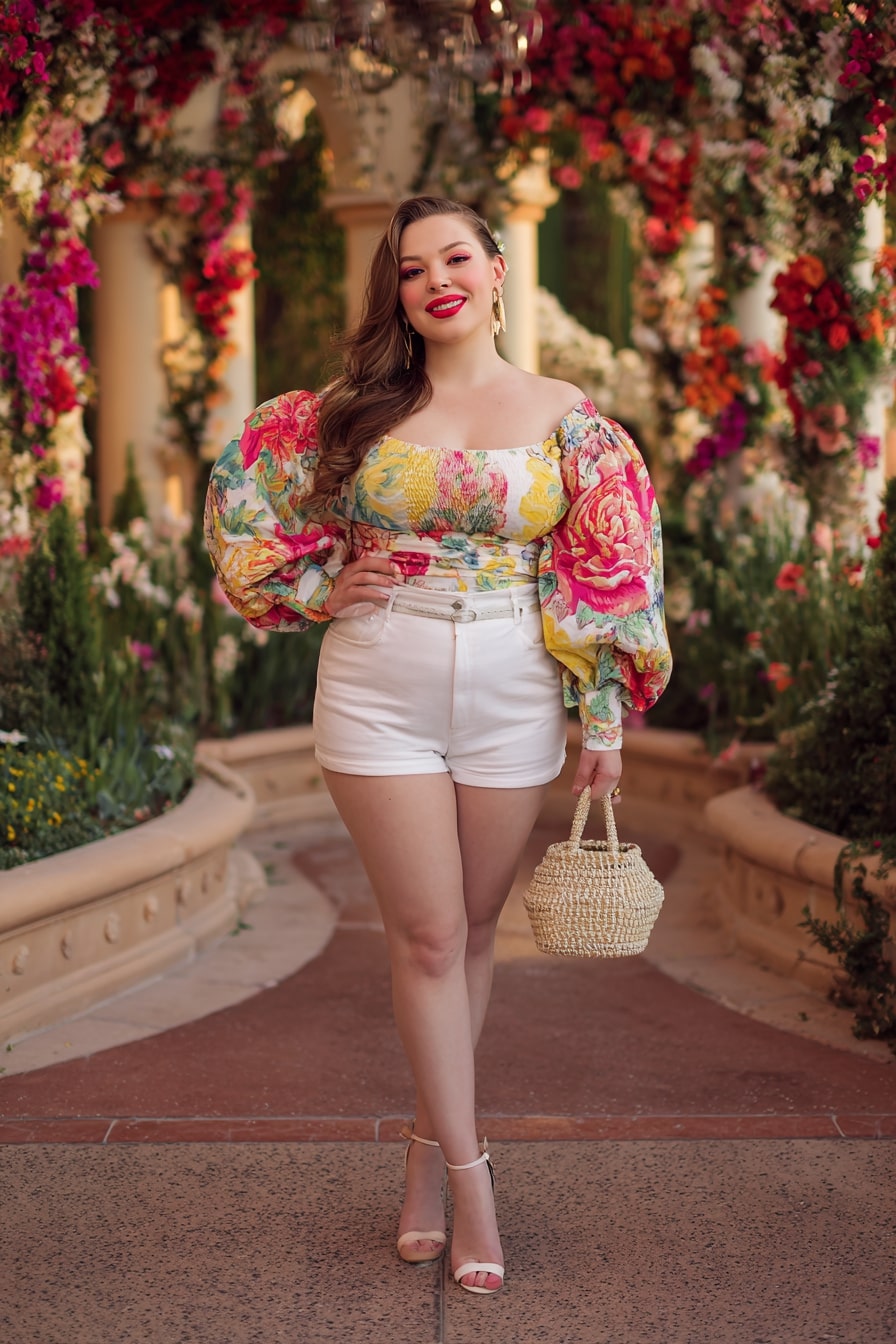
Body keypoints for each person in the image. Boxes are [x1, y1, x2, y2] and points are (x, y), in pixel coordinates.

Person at [205, 195, 672, 1295]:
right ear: (398, 295)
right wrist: (320, 582)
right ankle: (472, 1180)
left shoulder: (568, 417)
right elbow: (243, 511)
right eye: (410, 269)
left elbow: (610, 566)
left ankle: (421, 1160)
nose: (434, 281)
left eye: (453, 257)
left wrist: (600, 717)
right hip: (378, 682)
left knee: (468, 933)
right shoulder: (349, 413)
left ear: (496, 268)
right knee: (422, 937)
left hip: (513, 687)